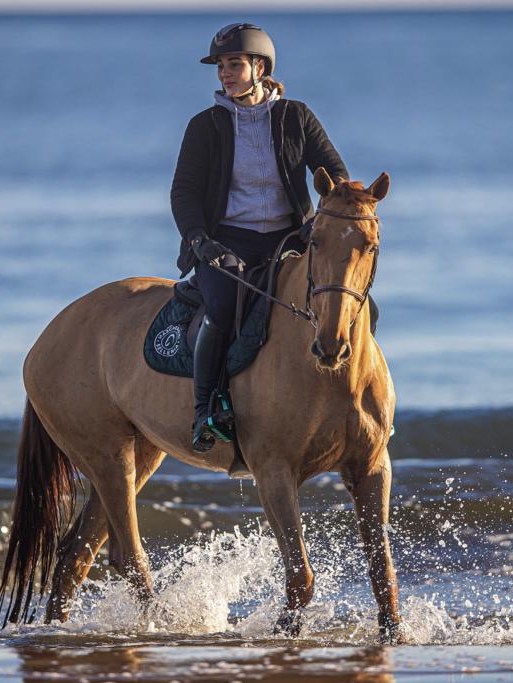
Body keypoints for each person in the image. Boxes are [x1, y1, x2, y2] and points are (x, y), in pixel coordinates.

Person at [170, 22, 348, 453]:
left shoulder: (296, 116)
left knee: (351, 302)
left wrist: (322, 218)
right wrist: (199, 241)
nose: (224, 74)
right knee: (221, 308)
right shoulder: (204, 126)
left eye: (233, 64)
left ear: (260, 67)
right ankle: (206, 411)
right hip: (225, 245)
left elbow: (335, 172)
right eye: (220, 67)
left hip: (291, 242)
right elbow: (184, 193)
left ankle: (359, 403)